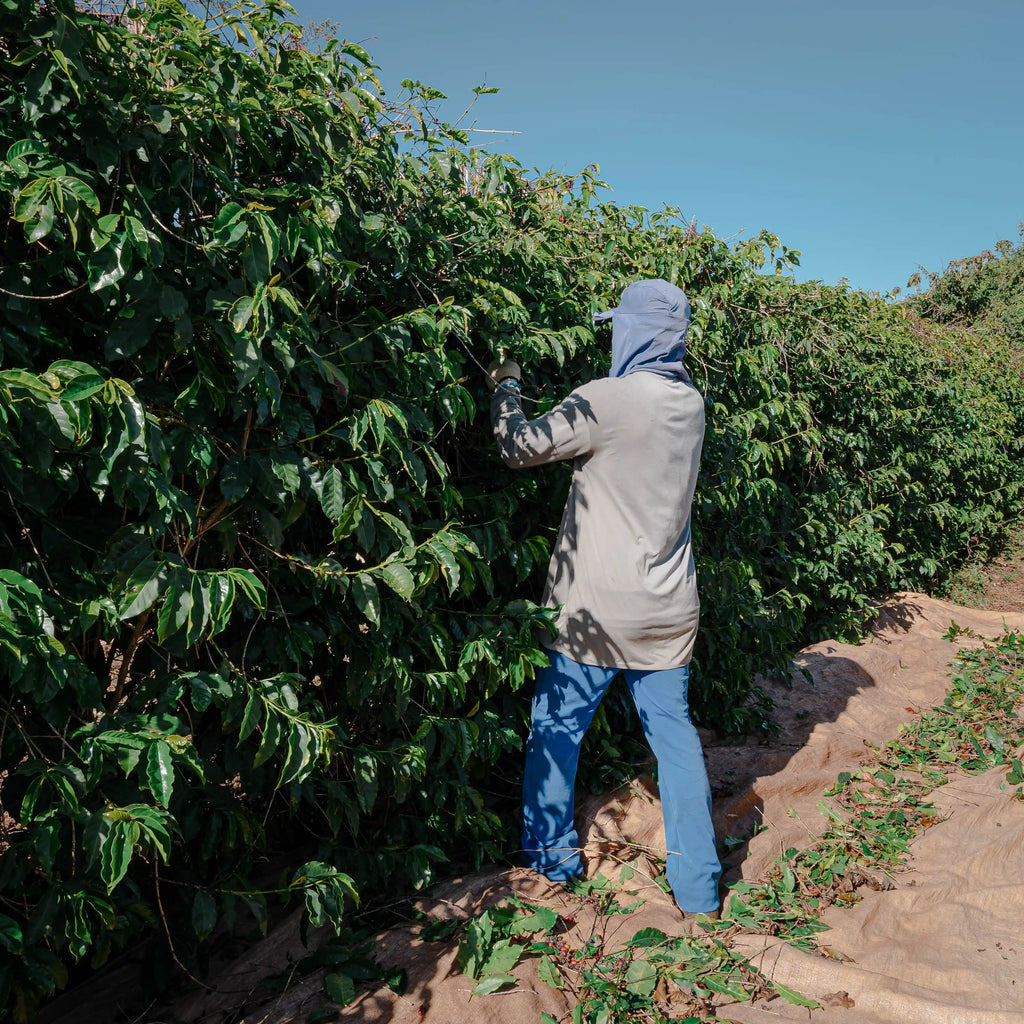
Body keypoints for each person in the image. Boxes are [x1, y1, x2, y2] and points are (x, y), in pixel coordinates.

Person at [488, 278, 722, 917]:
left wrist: (505, 384)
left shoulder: (609, 398)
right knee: (675, 743)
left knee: (557, 734)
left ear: (634, 332)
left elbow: (519, 446)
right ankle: (700, 891)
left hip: (596, 615)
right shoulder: (690, 404)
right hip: (668, 612)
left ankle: (550, 869)